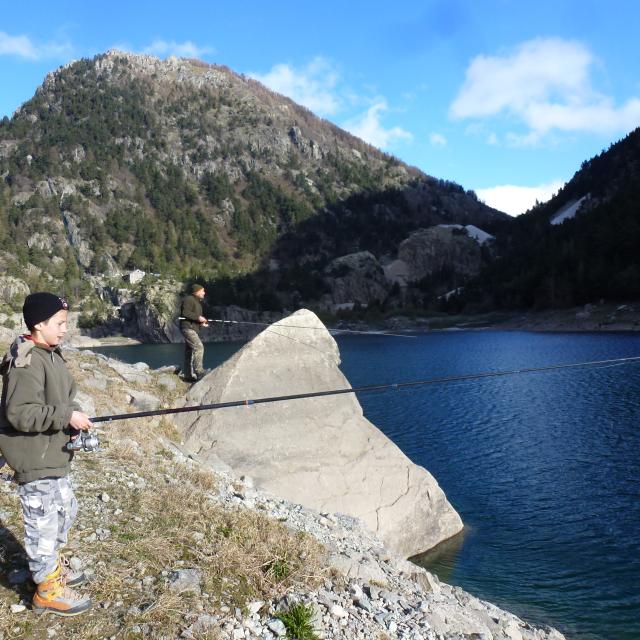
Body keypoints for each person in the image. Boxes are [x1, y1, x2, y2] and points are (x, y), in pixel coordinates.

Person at [0, 292, 93, 616]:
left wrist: (73, 413)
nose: (65, 329)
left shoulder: (51, 353)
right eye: (60, 323)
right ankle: (46, 589)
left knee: (65, 510)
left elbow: (62, 398)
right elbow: (19, 413)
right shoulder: (26, 361)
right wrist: (64, 417)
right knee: (42, 524)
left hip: (54, 454)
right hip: (34, 458)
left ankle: (50, 565)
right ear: (39, 324)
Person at [179, 283, 209, 382]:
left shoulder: (198, 303)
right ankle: (199, 372)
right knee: (199, 347)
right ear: (197, 291)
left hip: (192, 328)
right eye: (202, 291)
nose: (204, 293)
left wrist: (201, 324)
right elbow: (185, 313)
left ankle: (188, 375)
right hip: (187, 328)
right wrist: (198, 317)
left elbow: (193, 318)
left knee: (189, 352)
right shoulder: (189, 299)